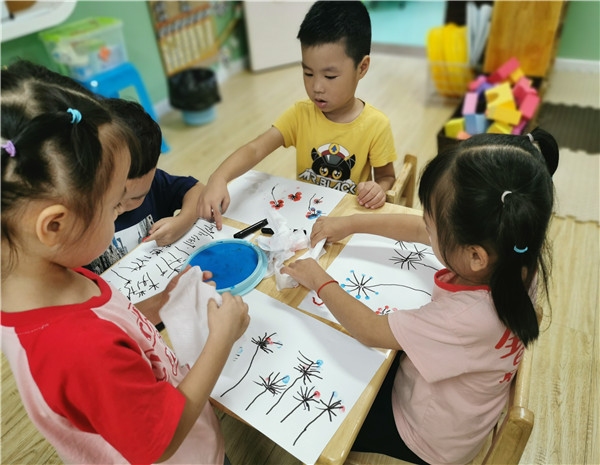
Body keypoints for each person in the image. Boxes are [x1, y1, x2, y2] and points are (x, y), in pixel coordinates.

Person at [1, 63, 250, 464]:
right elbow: (162, 441)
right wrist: (221, 340)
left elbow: (107, 318)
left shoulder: (48, 272)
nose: (122, 212)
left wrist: (160, 303)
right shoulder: (80, 350)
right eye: (115, 203)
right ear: (55, 225)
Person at [283, 128, 558, 464]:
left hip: (424, 435)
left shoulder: (466, 317)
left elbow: (369, 329)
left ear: (475, 256)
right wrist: (351, 224)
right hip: (461, 410)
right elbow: (417, 228)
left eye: (432, 227)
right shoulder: (516, 253)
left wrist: (319, 279)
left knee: (315, 403)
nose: (425, 229)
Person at [198, 0, 398, 229]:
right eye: (308, 73)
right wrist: (219, 177)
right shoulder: (300, 114)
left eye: (330, 76)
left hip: (346, 221)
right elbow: (255, 149)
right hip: (304, 216)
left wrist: (378, 189)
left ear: (362, 68)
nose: (317, 87)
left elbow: (387, 177)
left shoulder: (376, 125)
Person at [87, 98, 204, 276]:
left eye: (136, 197)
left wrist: (182, 221)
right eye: (113, 199)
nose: (120, 209)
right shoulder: (79, 213)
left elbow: (198, 190)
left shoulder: (154, 182)